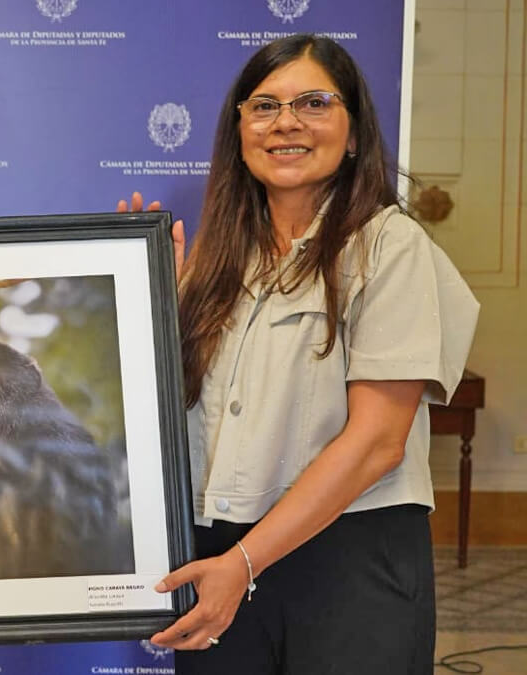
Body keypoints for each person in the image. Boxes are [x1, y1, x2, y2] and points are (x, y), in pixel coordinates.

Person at [121, 34, 479, 673]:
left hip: (346, 560)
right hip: (218, 555)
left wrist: (246, 563)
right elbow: (167, 420)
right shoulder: (214, 259)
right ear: (239, 130)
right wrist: (155, 308)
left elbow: (377, 443)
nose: (285, 122)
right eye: (263, 106)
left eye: (313, 102)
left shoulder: (390, 248)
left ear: (356, 131)